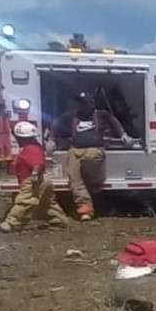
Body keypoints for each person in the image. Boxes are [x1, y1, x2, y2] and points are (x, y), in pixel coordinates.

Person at [52, 91, 124, 221]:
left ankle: (95, 187)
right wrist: (51, 139)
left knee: (91, 160)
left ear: (91, 104)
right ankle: (85, 209)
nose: (81, 106)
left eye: (84, 103)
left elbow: (115, 123)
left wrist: (123, 135)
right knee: (74, 179)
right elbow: (56, 124)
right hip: (75, 150)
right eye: (79, 103)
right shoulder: (71, 116)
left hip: (94, 149)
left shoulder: (101, 115)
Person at [0, 120, 68, 231]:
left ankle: (11, 223)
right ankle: (59, 220)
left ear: (21, 138)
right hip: (42, 180)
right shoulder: (35, 147)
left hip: (33, 180)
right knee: (47, 203)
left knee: (25, 201)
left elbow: (37, 163)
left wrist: (35, 175)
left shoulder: (30, 149)